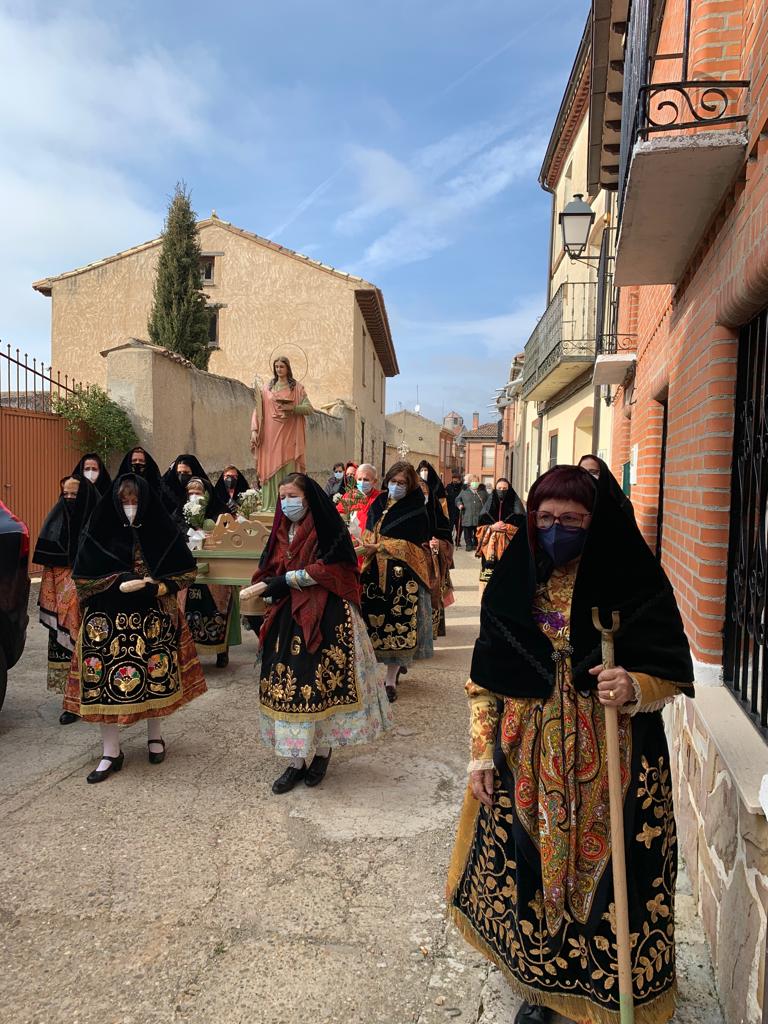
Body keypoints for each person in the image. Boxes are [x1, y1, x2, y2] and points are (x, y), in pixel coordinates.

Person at [446, 465, 694, 1024]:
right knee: (530, 868)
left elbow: (672, 672)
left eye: (573, 519)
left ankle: (608, 988)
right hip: (527, 752)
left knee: (609, 879)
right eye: (546, 517)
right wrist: (480, 754)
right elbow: (486, 675)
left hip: (615, 756)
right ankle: (541, 986)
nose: (557, 529)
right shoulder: (516, 575)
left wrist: (634, 685)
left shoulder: (634, 580)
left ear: (595, 521)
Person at [241, 473, 391, 794]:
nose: (286, 502)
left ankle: (322, 754)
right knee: (289, 688)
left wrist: (289, 579)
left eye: (292, 495)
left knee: (322, 684)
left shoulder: (327, 527)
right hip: (288, 617)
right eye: (282, 496)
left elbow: (338, 568)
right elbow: (270, 565)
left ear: (308, 498)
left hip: (328, 615)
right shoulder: (282, 529)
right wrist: (268, 583)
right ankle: (295, 761)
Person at [63, 474, 207, 783]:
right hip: (106, 621)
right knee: (101, 682)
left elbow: (186, 572)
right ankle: (110, 750)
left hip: (151, 618)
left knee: (155, 677)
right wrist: (115, 583)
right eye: (125, 502)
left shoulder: (161, 528)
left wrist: (156, 588)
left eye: (135, 502)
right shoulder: (99, 529)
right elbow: (82, 578)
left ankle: (155, 736)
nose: (130, 507)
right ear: (115, 502)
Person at [360, 461, 433, 703]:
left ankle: (390, 679)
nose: (396, 486)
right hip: (372, 573)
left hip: (402, 577)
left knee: (397, 624)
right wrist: (368, 543)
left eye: (402, 483)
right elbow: (369, 530)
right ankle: (373, 672)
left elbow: (416, 547)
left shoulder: (416, 509)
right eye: (393, 482)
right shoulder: (379, 502)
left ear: (410, 484)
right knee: (371, 625)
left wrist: (382, 545)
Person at [33, 475, 98, 721]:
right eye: (66, 495)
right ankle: (70, 703)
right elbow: (48, 564)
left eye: (75, 495)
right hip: (62, 603)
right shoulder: (56, 520)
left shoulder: (97, 523)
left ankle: (94, 697)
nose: (69, 499)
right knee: (63, 648)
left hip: (91, 603)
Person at [178, 476, 242, 668]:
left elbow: (231, 534)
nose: (194, 496)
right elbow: (173, 530)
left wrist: (211, 535)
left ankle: (222, 650)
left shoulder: (219, 512)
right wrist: (190, 532)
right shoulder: (180, 513)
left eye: (198, 492)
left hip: (216, 569)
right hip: (189, 567)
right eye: (191, 493)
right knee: (187, 610)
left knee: (218, 608)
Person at [250, 356, 312, 511]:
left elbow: (309, 408)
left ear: (288, 368)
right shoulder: (267, 389)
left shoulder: (296, 388)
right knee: (269, 470)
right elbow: (258, 410)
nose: (279, 369)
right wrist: (254, 430)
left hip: (289, 434)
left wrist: (294, 409)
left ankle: (289, 505)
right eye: (276, 366)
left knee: (287, 468)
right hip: (269, 435)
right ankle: (270, 505)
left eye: (282, 367)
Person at [416, 460, 455, 638]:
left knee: (433, 593)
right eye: (419, 492)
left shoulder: (437, 510)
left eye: (425, 492)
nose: (423, 494)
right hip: (413, 561)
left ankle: (432, 631)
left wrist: (439, 544)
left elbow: (447, 535)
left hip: (433, 561)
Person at [476, 477, 525, 591]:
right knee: (489, 584)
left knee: (508, 582)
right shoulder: (487, 508)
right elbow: (479, 530)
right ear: (495, 489)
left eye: (504, 488)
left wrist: (507, 528)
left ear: (509, 489)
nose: (501, 490)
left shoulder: (518, 509)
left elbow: (523, 530)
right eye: (499, 488)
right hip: (490, 553)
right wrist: (492, 527)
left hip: (510, 551)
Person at [162, 454, 227, 529]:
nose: (182, 476)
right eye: (179, 473)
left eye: (186, 473)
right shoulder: (169, 492)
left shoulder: (205, 488)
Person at [335, 463, 383, 557]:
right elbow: (339, 517)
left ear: (374, 481)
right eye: (359, 479)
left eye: (366, 480)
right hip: (352, 547)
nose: (362, 482)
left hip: (372, 549)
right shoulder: (349, 496)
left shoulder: (381, 499)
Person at [578, 453, 635, 521]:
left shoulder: (621, 504)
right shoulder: (573, 500)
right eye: (582, 472)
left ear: (603, 474)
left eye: (593, 472)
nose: (587, 476)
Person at [455, 475, 484, 551]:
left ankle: (475, 544)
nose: (475, 483)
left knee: (477, 531)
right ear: (469, 483)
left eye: (476, 481)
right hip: (467, 515)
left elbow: (488, 501)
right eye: (473, 481)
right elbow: (458, 499)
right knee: (467, 532)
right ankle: (468, 544)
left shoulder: (482, 492)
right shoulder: (464, 491)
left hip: (478, 516)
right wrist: (459, 505)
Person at [445, 472, 463, 546]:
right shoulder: (448, 487)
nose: (455, 482)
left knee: (460, 528)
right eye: (453, 480)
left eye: (456, 480)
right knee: (450, 527)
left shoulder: (463, 488)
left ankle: (457, 541)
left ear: (459, 480)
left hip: (460, 511)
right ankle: (449, 541)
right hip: (450, 510)